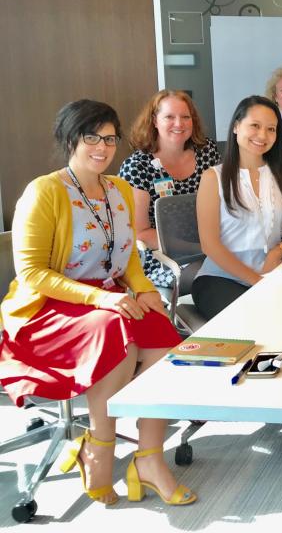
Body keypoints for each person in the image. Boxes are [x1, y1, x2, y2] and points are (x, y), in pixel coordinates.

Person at [0, 100, 196, 506]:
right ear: (70, 139)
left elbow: (126, 259)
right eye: (92, 137)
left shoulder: (118, 189)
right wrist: (101, 297)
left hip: (106, 300)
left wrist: (141, 290)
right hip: (46, 309)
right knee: (116, 331)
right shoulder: (43, 192)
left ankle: (149, 457)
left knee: (162, 332)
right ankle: (99, 447)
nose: (102, 147)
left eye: (109, 138)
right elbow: (33, 273)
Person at [194, 96, 282, 319]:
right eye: (254, 125)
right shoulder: (213, 178)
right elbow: (210, 245)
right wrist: (257, 281)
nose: (262, 135)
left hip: (274, 271)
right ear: (236, 126)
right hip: (221, 278)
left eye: (271, 129)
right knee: (259, 319)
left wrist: (281, 249)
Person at [119, 90, 220, 289]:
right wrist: (201, 248)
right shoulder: (137, 166)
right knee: (217, 274)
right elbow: (140, 233)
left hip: (208, 245)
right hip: (160, 257)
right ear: (155, 121)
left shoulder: (207, 152)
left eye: (185, 117)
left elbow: (219, 205)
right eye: (169, 117)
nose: (179, 124)